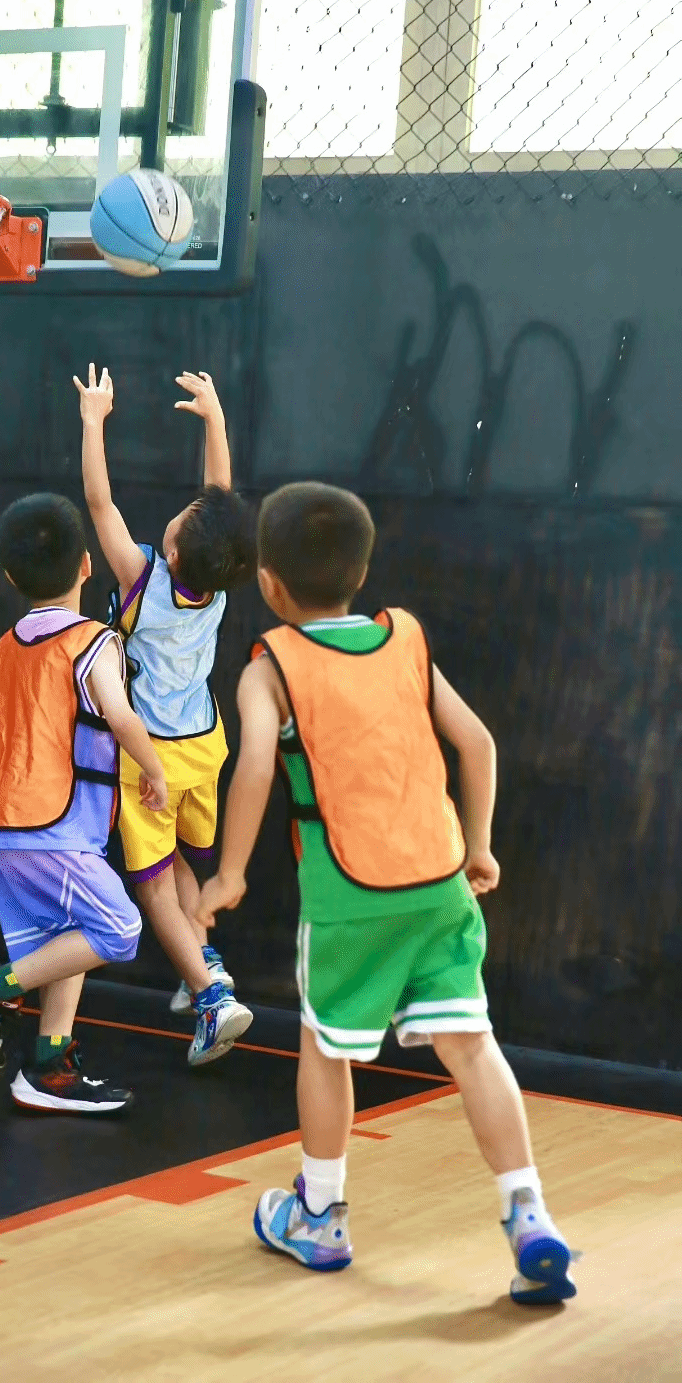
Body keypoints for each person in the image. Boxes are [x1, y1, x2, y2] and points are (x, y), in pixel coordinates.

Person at [198, 481, 576, 1306]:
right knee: (472, 1045)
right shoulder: (405, 640)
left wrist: (229, 874)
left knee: (326, 1046)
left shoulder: (271, 667)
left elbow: (254, 764)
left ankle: (321, 1215)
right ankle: (529, 1213)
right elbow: (478, 744)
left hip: (349, 899)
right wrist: (480, 846)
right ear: (363, 572)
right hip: (440, 880)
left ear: (268, 582)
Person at [0, 493, 165, 1115]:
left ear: (11, 578)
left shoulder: (5, 646)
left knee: (64, 941)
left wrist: (6, 789)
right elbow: (119, 714)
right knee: (118, 930)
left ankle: (48, 1067)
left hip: (0, 827)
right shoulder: (94, 642)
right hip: (57, 830)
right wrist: (154, 772)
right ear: (88, 565)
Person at [74, 363, 256, 1067]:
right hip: (204, 749)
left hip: (146, 756)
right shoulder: (219, 587)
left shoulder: (141, 577)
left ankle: (211, 998)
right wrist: (215, 419)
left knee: (151, 885)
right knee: (180, 859)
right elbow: (220, 498)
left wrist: (94, 423)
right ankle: (203, 960)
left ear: (174, 547)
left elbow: (99, 502)